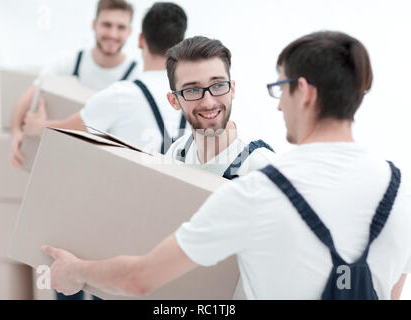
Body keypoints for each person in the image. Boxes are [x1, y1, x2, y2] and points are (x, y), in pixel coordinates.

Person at [42, 31, 411, 299]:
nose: (279, 105)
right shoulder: (400, 188)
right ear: (176, 99)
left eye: (281, 89)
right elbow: (395, 285)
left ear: (306, 93)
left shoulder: (260, 185)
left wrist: (76, 271)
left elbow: (141, 278)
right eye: (192, 90)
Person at [21, 2, 188, 155]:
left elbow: (68, 132)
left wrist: (37, 127)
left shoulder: (120, 95)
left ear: (140, 40)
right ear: (181, 45)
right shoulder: (198, 96)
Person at [10, 0, 140, 169]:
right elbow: (30, 94)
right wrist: (15, 132)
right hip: (61, 157)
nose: (113, 34)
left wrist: (42, 127)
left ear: (129, 31)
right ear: (94, 25)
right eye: (106, 25)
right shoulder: (70, 62)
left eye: (121, 27)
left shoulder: (135, 76)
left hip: (104, 165)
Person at [165, 36, 275, 180]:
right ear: (174, 101)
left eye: (218, 85)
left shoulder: (261, 167)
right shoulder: (176, 153)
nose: (208, 103)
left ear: (232, 89)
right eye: (193, 90)